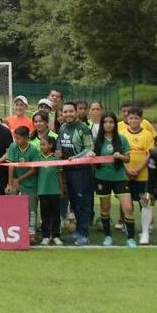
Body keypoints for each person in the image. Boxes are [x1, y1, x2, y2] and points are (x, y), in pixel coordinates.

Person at [93, 113, 136, 247]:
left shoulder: (121, 139)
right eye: (105, 122)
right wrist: (91, 157)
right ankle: (108, 237)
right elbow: (92, 160)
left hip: (120, 178)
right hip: (102, 178)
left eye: (111, 122)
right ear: (102, 124)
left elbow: (128, 159)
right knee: (105, 208)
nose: (108, 124)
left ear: (115, 124)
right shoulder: (97, 140)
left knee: (128, 208)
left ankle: (130, 239)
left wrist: (120, 156)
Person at [58, 101, 94, 245]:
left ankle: (84, 234)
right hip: (68, 170)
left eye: (70, 111)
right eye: (65, 112)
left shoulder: (83, 128)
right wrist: (58, 151)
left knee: (82, 202)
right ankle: (78, 232)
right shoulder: (62, 128)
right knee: (73, 202)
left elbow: (89, 148)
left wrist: (76, 158)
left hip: (81, 171)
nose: (68, 114)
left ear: (76, 112)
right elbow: (60, 144)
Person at [4, 126, 41, 242]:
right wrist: (10, 184)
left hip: (30, 183)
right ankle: (12, 230)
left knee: (31, 209)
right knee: (11, 206)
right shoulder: (13, 146)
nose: (16, 140)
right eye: (15, 138)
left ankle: (31, 234)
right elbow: (11, 165)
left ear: (26, 138)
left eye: (18, 138)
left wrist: (20, 179)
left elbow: (34, 170)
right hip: (15, 181)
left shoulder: (34, 150)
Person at [121, 106, 156, 230]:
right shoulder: (122, 134)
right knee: (127, 201)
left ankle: (148, 224)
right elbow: (121, 154)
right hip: (126, 174)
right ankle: (127, 223)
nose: (133, 121)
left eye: (136, 118)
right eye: (131, 118)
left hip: (143, 174)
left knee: (144, 200)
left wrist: (139, 169)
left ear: (141, 119)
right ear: (127, 119)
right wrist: (127, 170)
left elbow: (149, 154)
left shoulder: (147, 135)